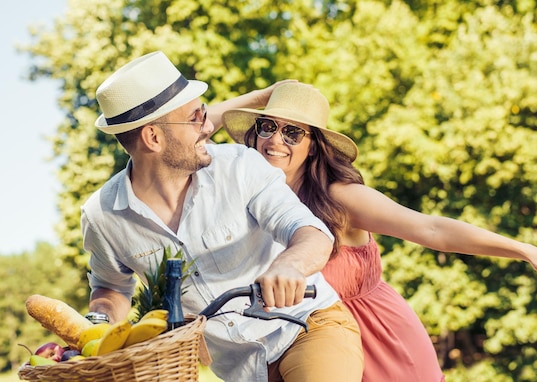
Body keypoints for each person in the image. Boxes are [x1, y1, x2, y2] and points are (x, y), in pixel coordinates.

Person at [221, 82, 537, 382]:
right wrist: (258, 97)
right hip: (301, 345)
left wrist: (524, 250)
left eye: (293, 133)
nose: (275, 140)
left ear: (315, 147)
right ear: (253, 134)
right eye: (268, 126)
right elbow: (181, 134)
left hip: (378, 340)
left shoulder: (339, 198)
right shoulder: (248, 196)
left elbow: (432, 228)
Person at [81, 52, 364, 382]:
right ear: (153, 138)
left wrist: (290, 266)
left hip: (307, 326)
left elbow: (310, 232)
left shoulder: (240, 166)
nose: (210, 126)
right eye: (196, 117)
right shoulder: (102, 216)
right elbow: (111, 288)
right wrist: (99, 320)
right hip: (239, 369)